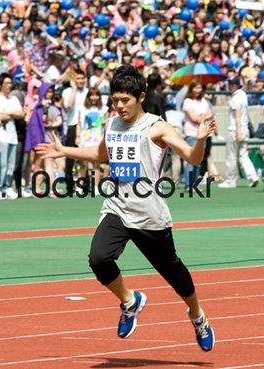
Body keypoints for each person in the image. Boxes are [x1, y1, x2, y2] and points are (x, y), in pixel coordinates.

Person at [35, 64, 215, 352]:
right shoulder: (113, 123)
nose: (118, 106)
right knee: (98, 259)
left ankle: (197, 315)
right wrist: (65, 151)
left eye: (124, 101)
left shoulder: (156, 127)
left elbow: (192, 159)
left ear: (141, 97)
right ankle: (130, 301)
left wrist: (201, 142)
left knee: (174, 273)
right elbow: (101, 154)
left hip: (149, 214)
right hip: (117, 207)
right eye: (114, 100)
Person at [218, 77, 259, 188]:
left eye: (231, 84)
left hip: (235, 129)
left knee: (231, 156)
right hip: (243, 128)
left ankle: (230, 180)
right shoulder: (243, 95)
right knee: (243, 155)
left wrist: (238, 131)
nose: (229, 86)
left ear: (236, 85)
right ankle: (253, 176)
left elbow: (237, 115)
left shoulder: (236, 98)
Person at [182, 81, 213, 190]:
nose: (198, 90)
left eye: (200, 88)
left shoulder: (204, 101)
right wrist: (204, 117)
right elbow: (194, 119)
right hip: (191, 134)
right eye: (196, 88)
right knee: (191, 160)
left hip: (202, 133)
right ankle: (188, 185)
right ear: (191, 89)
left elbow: (210, 114)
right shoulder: (187, 101)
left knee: (198, 161)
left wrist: (201, 117)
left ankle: (194, 184)